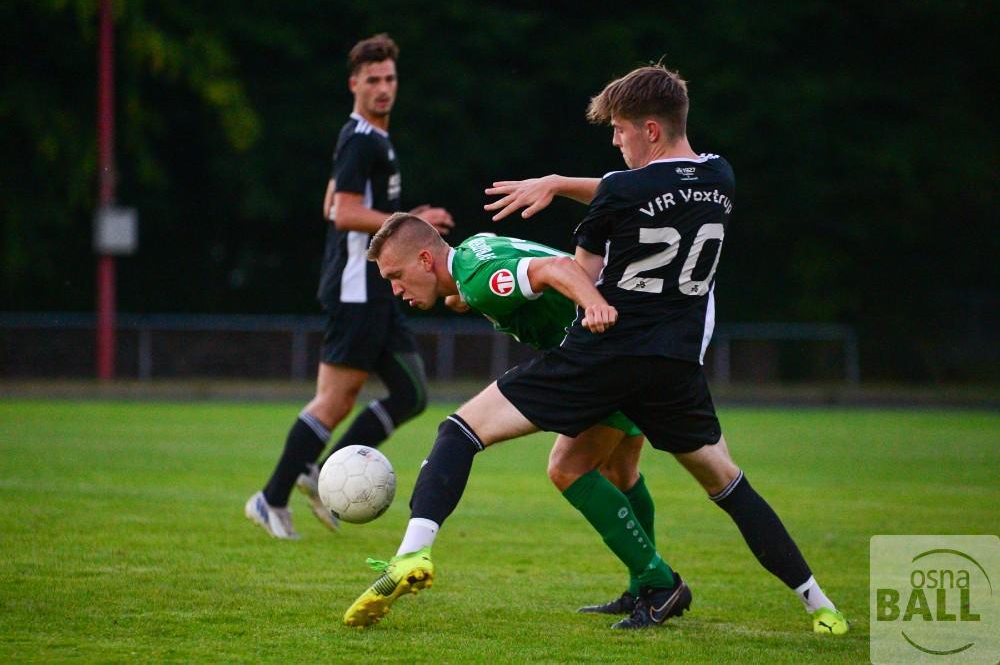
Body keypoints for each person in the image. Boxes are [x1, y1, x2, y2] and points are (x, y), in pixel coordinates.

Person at [343, 64, 848, 634]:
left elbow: (573, 264)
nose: (615, 141)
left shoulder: (616, 195)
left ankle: (417, 551)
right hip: (679, 355)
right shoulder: (721, 177)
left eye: (621, 130)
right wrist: (560, 187)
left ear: (650, 130)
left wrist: (591, 299)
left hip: (607, 351)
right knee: (717, 483)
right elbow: (645, 187)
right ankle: (817, 603)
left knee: (478, 437)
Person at [362, 211, 680, 617]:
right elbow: (503, 266)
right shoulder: (472, 258)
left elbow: (557, 267)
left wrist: (593, 304)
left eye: (396, 275)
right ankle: (648, 588)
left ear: (425, 261)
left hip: (600, 352)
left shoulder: (478, 278)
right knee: (619, 474)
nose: (394, 289)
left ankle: (659, 582)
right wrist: (459, 295)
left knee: (561, 466)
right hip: (628, 342)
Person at [245, 33, 453, 539]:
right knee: (335, 401)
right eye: (373, 80)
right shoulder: (360, 139)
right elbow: (342, 213)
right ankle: (271, 498)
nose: (384, 88)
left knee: (411, 391)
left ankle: (318, 469)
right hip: (356, 289)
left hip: (378, 289)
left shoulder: (370, 139)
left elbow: (330, 204)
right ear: (354, 84)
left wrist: (402, 221)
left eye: (390, 79)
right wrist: (410, 221)